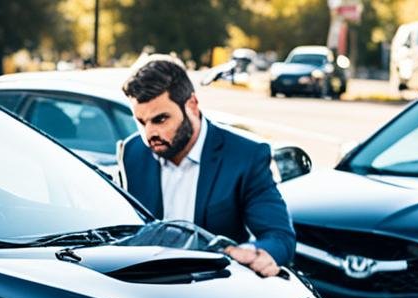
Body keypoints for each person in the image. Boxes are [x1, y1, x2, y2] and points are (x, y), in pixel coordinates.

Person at [118, 55, 295, 277]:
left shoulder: (245, 155)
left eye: (160, 119)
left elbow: (279, 237)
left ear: (191, 105)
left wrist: (253, 255)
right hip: (146, 286)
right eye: (141, 122)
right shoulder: (133, 152)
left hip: (213, 289)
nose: (150, 133)